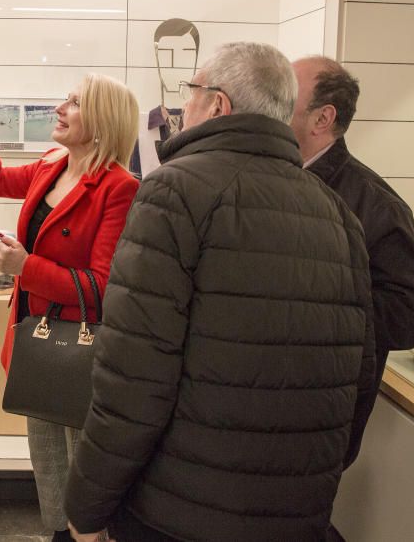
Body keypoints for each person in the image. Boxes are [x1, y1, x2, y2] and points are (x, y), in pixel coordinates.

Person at [64, 42, 375, 542]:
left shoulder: (174, 192)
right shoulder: (337, 212)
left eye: (192, 92)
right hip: (296, 512)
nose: (181, 106)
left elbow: (133, 376)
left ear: (218, 106)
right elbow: (360, 374)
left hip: (177, 512)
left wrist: (87, 508)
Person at [0, 74, 140, 542]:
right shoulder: (53, 164)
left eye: (74, 103)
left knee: (83, 467)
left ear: (100, 122)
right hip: (35, 339)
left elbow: (101, 288)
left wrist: (25, 266)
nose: (60, 108)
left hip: (79, 353)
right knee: (47, 459)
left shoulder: (119, 188)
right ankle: (58, 533)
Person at [290, 55, 414, 468]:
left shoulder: (377, 205)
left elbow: (409, 317)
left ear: (323, 118)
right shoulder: (272, 181)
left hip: (323, 413)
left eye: (287, 97)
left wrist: (313, 306)